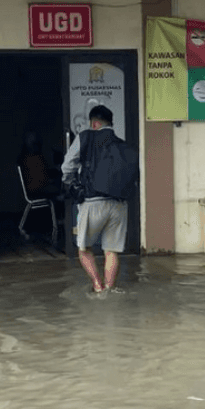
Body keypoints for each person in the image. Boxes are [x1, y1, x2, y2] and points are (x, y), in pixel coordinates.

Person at [61, 105, 130, 293]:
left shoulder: (85, 137)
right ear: (111, 123)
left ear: (94, 123)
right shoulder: (122, 144)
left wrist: (70, 182)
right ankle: (110, 289)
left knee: (84, 249)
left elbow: (67, 167)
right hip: (118, 204)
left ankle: (98, 287)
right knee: (111, 251)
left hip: (92, 203)